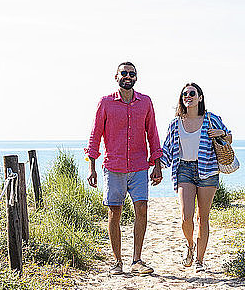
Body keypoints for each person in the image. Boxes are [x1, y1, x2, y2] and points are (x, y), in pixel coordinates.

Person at [86, 61, 163, 275]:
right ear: (116, 76)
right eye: (124, 73)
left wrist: (157, 164)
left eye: (131, 73)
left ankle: (137, 260)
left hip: (139, 166)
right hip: (114, 167)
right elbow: (95, 135)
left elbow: (153, 134)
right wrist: (91, 166)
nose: (127, 76)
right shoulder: (105, 103)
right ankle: (117, 262)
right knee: (114, 212)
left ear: (136, 77)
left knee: (142, 209)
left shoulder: (145, 102)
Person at [161, 83, 232, 272]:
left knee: (203, 217)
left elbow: (229, 137)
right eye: (185, 94)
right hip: (184, 169)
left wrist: (222, 133)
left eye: (192, 93)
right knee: (186, 216)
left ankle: (200, 260)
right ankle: (190, 245)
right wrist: (157, 166)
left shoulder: (211, 119)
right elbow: (167, 149)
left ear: (200, 97)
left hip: (208, 170)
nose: (188, 96)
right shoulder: (176, 123)